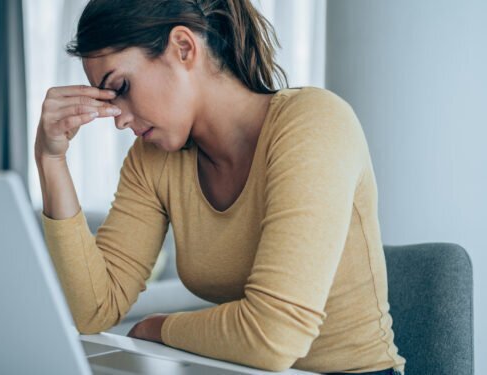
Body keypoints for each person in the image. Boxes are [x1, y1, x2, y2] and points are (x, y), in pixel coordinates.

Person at [34, 0, 406, 373]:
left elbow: (273, 338)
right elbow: (94, 310)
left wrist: (160, 328)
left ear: (183, 48)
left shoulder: (314, 123)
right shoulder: (152, 159)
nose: (119, 120)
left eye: (121, 87)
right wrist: (51, 161)